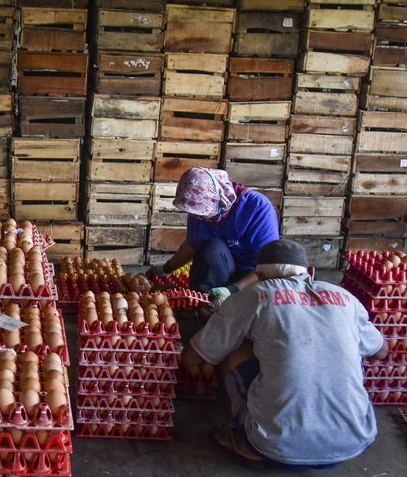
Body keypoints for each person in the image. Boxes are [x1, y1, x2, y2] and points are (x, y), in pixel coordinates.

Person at [181, 239, 389, 469]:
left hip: (275, 446)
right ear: (310, 272)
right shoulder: (346, 298)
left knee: (232, 347)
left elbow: (194, 356)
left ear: (258, 277)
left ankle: (246, 444)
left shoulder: (253, 296)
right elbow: (380, 351)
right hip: (354, 442)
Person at [147, 167, 279, 302]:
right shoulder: (198, 212)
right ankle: (205, 301)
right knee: (212, 248)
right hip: (221, 272)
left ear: (217, 199)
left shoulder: (257, 208)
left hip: (252, 278)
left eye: (201, 213)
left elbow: (269, 265)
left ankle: (225, 300)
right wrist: (165, 268)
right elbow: (193, 244)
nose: (197, 217)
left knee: (213, 248)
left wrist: (232, 289)